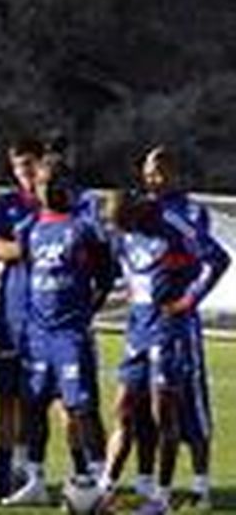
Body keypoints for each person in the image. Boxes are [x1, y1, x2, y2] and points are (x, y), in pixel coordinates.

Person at [100, 163, 230, 515]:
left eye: (125, 226)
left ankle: (161, 497)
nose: (123, 233)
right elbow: (126, 269)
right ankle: (103, 490)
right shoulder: (123, 230)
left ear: (136, 214)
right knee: (123, 409)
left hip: (171, 331)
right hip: (137, 330)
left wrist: (189, 299)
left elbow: (217, 258)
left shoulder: (172, 221)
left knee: (166, 414)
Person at [2, 159, 116, 506]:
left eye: (55, 183)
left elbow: (107, 276)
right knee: (33, 405)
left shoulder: (84, 229)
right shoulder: (28, 227)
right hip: (37, 335)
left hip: (70, 335)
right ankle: (35, 480)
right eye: (42, 183)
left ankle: (101, 480)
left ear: (67, 185)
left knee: (81, 405)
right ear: (34, 187)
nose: (48, 189)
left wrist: (85, 313)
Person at [141, 146, 230, 509]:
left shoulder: (188, 212)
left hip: (179, 326)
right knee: (146, 409)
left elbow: (212, 259)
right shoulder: (143, 211)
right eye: (147, 171)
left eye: (159, 171)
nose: (151, 178)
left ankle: (201, 486)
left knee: (191, 405)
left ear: (174, 173)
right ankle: (152, 486)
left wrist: (188, 300)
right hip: (144, 327)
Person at [0, 137, 44, 497]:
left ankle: (31, 470)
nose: (23, 173)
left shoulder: (61, 200)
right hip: (10, 315)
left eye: (28, 165)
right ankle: (3, 472)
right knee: (6, 400)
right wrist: (36, 247)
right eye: (18, 166)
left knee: (40, 401)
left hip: (45, 321)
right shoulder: (7, 204)